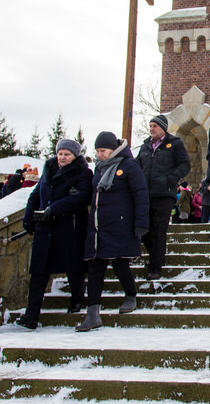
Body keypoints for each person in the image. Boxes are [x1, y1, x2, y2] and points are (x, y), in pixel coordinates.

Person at [77, 132, 149, 332]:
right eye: (98, 151)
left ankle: (130, 294)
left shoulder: (129, 166)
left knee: (120, 265)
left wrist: (141, 222)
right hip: (99, 227)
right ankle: (92, 314)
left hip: (120, 225)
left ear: (113, 149)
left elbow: (141, 194)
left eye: (103, 151)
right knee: (95, 269)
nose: (100, 155)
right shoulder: (99, 170)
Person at [16, 139, 92, 330]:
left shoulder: (83, 172)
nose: (63, 157)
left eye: (67, 154)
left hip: (68, 228)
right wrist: (29, 218)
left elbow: (81, 197)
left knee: (73, 267)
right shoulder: (48, 170)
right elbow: (36, 194)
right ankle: (31, 314)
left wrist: (54, 208)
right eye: (60, 153)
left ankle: (77, 300)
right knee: (39, 272)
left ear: (75, 156)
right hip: (45, 228)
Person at [135, 114, 191, 280]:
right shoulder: (145, 147)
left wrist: (171, 179)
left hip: (164, 194)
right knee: (144, 229)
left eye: (155, 126)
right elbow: (137, 165)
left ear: (163, 128)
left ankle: (155, 267)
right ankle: (158, 257)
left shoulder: (174, 144)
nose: (152, 129)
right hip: (146, 194)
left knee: (159, 230)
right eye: (150, 125)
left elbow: (184, 165)